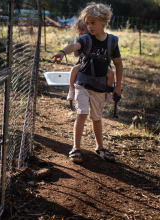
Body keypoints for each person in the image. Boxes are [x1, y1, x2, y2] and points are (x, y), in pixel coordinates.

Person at [51, 2, 123, 163]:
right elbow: (74, 45)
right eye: (87, 23)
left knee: (97, 118)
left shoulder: (112, 42)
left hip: (99, 86)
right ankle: (76, 148)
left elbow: (118, 64)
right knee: (82, 113)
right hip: (82, 84)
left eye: (93, 23)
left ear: (104, 21)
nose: (89, 26)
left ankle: (100, 147)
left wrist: (117, 87)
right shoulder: (85, 39)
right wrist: (63, 52)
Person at [67, 18, 114, 104]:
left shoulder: (96, 39)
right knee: (74, 70)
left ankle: (108, 93)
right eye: (79, 30)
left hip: (100, 63)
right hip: (84, 63)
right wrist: (77, 42)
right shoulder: (81, 41)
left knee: (111, 73)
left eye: (83, 30)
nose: (80, 32)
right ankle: (71, 89)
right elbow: (76, 54)